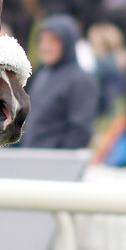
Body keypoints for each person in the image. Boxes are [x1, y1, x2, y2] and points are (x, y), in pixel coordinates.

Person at [19, 15, 98, 149]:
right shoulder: (42, 75)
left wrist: (58, 160)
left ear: (67, 43)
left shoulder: (80, 80)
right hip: (32, 160)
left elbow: (80, 131)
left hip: (57, 164)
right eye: (42, 41)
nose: (45, 47)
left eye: (52, 41)